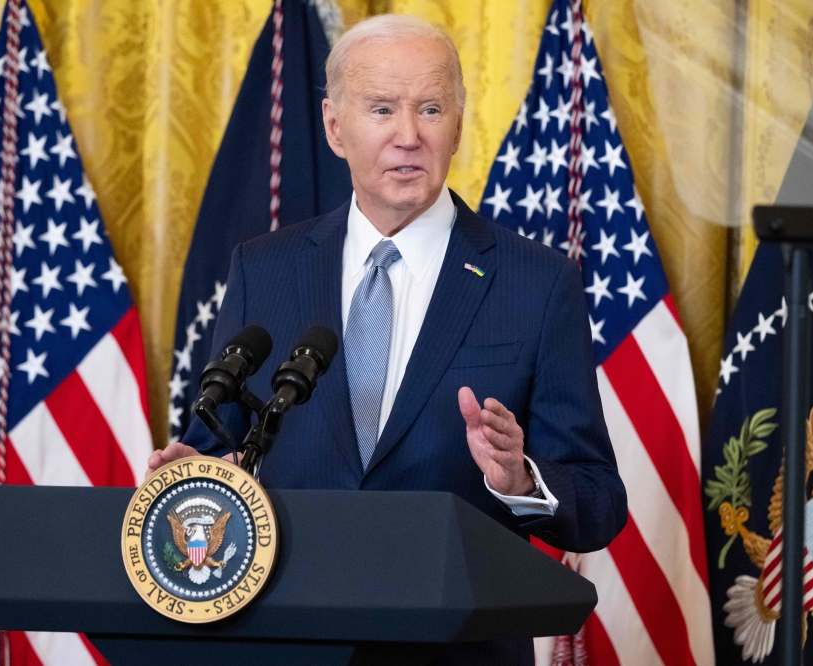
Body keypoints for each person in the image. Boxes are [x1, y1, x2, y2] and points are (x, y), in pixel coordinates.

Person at [149, 14, 626, 665]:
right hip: (287, 644)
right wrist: (196, 479)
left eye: (430, 109)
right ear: (334, 127)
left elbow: (599, 502)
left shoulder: (536, 284)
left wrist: (521, 478)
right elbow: (220, 450)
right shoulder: (264, 270)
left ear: (458, 125)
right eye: (382, 109)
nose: (408, 135)